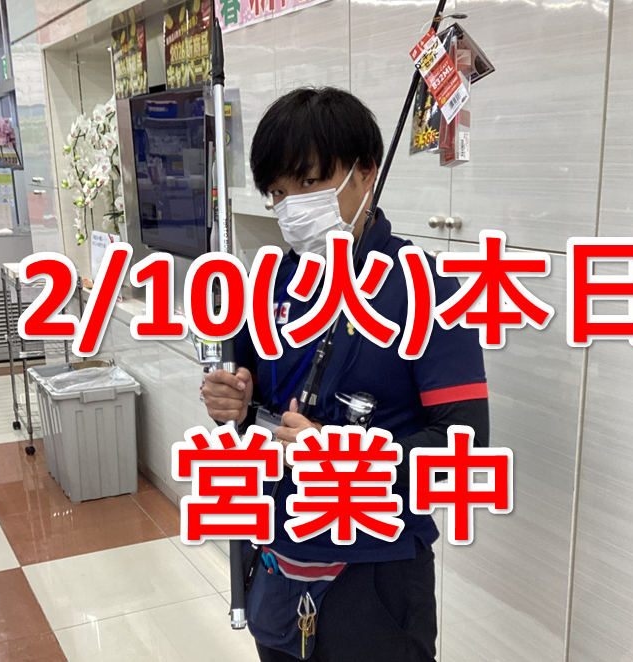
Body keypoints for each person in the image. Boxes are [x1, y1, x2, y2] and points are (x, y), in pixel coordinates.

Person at [201, 87, 489, 662]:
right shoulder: (269, 285)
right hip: (278, 560)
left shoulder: (425, 288)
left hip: (376, 578)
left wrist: (338, 456)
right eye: (278, 193)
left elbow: (466, 443)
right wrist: (232, 402)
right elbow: (250, 400)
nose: (291, 206)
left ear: (366, 173)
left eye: (309, 182)